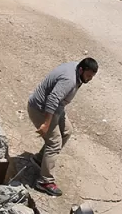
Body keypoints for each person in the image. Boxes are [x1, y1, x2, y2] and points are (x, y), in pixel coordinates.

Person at [27, 58, 99, 197]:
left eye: (92, 77)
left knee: (67, 131)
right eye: (88, 76)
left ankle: (40, 159)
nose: (89, 79)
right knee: (54, 143)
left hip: (56, 109)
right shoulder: (69, 80)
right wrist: (46, 124)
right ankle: (44, 181)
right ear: (81, 70)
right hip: (41, 109)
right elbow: (52, 99)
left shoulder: (76, 69)